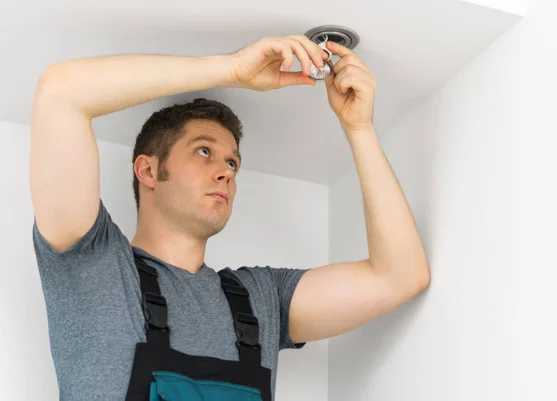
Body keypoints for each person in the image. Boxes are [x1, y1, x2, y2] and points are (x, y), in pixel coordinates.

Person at [29, 35, 430, 400]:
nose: (226, 172)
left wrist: (358, 127)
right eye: (204, 152)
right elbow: (60, 93)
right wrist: (232, 69)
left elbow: (400, 276)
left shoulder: (260, 299)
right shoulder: (94, 265)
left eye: (233, 163)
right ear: (148, 171)